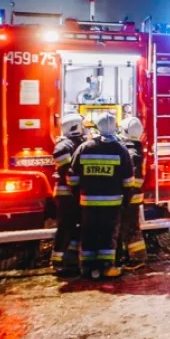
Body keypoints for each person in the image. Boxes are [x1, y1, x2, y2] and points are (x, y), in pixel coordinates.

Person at [71, 112, 134, 279]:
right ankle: (106, 268)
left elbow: (72, 177)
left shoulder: (84, 148)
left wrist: (77, 194)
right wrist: (126, 200)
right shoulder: (120, 150)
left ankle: (87, 268)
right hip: (111, 204)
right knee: (107, 235)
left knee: (88, 234)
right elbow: (128, 180)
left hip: (88, 203)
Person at [51, 113, 88, 276]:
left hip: (76, 193)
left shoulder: (79, 143)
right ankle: (58, 261)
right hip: (67, 195)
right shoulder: (63, 147)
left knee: (76, 227)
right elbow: (67, 172)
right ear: (75, 127)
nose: (85, 127)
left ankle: (71, 258)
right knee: (65, 227)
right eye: (82, 125)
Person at [117, 116, 147, 270]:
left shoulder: (130, 152)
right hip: (133, 194)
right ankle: (131, 256)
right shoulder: (135, 148)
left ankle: (136, 259)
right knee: (128, 226)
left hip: (130, 195)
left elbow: (132, 178)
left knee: (130, 227)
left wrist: (126, 193)